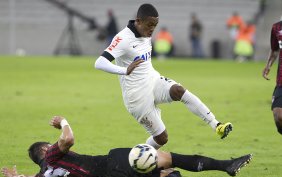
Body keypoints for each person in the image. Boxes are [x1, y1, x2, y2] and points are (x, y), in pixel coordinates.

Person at [94, 3, 233, 150]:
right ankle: (136, 160)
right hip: (137, 98)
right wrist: (124, 70)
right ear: (138, 21)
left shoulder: (145, 33)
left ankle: (216, 125)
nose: (152, 29)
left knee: (178, 90)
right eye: (149, 25)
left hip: (153, 81)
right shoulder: (122, 39)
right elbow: (99, 62)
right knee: (162, 138)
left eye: (155, 25)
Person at [1, 116, 252, 177]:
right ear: (45, 151)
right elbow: (68, 139)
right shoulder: (54, 154)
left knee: (165, 174)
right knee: (166, 159)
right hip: (111, 162)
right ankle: (225, 166)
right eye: (48, 145)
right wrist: (63, 122)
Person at [262, 20, 282, 134]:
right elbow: (274, 49)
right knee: (278, 116)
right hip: (281, 81)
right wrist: (268, 65)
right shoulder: (277, 27)